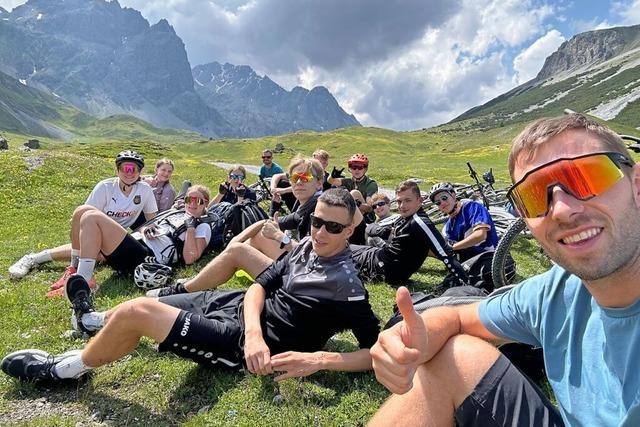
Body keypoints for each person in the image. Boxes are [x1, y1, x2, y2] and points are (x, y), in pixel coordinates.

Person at [368, 114, 640, 426]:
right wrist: (416, 338)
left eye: (588, 177)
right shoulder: (556, 292)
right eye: (535, 196)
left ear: (637, 187)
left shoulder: (471, 210)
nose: (563, 210)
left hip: (484, 259)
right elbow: (457, 317)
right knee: (457, 355)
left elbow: (480, 234)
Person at [1, 189, 381, 385]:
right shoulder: (302, 247)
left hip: (239, 344)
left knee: (139, 312)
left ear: (350, 230)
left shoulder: (347, 287)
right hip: (238, 313)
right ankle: (91, 322)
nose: (320, 232)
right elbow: (258, 288)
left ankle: (64, 371)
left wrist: (318, 360)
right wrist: (253, 330)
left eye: (333, 227)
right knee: (136, 305)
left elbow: (374, 353)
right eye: (316, 222)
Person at [8, 151, 158, 291]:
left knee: (99, 254)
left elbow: (152, 220)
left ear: (140, 172)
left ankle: (38, 258)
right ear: (117, 169)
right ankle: (59, 264)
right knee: (81, 212)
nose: (129, 173)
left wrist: (145, 231)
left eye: (134, 169)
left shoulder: (144, 190)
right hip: (94, 230)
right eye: (125, 168)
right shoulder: (105, 187)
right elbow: (83, 218)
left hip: (117, 237)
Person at [44, 185, 212, 297]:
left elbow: (191, 258)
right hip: (136, 243)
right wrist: (145, 229)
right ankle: (66, 268)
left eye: (199, 201)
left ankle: (83, 282)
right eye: (190, 199)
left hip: (147, 259)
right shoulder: (175, 213)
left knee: (91, 217)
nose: (192, 204)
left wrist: (191, 228)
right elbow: (143, 227)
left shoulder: (202, 227)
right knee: (82, 210)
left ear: (206, 204)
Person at [351, 180, 468, 287]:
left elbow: (446, 255)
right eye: (399, 201)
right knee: (346, 247)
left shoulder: (420, 222)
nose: (402, 206)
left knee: (339, 252)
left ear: (420, 200)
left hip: (380, 269)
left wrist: (466, 284)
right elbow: (369, 228)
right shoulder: (405, 218)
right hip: (378, 256)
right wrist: (382, 231)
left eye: (407, 201)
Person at [430, 181, 501, 291]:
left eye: (444, 198)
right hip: (470, 261)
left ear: (453, 195)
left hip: (490, 258)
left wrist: (452, 247)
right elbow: (450, 250)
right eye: (438, 203)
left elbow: (480, 235)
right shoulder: (448, 225)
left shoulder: (472, 207)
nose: (442, 204)